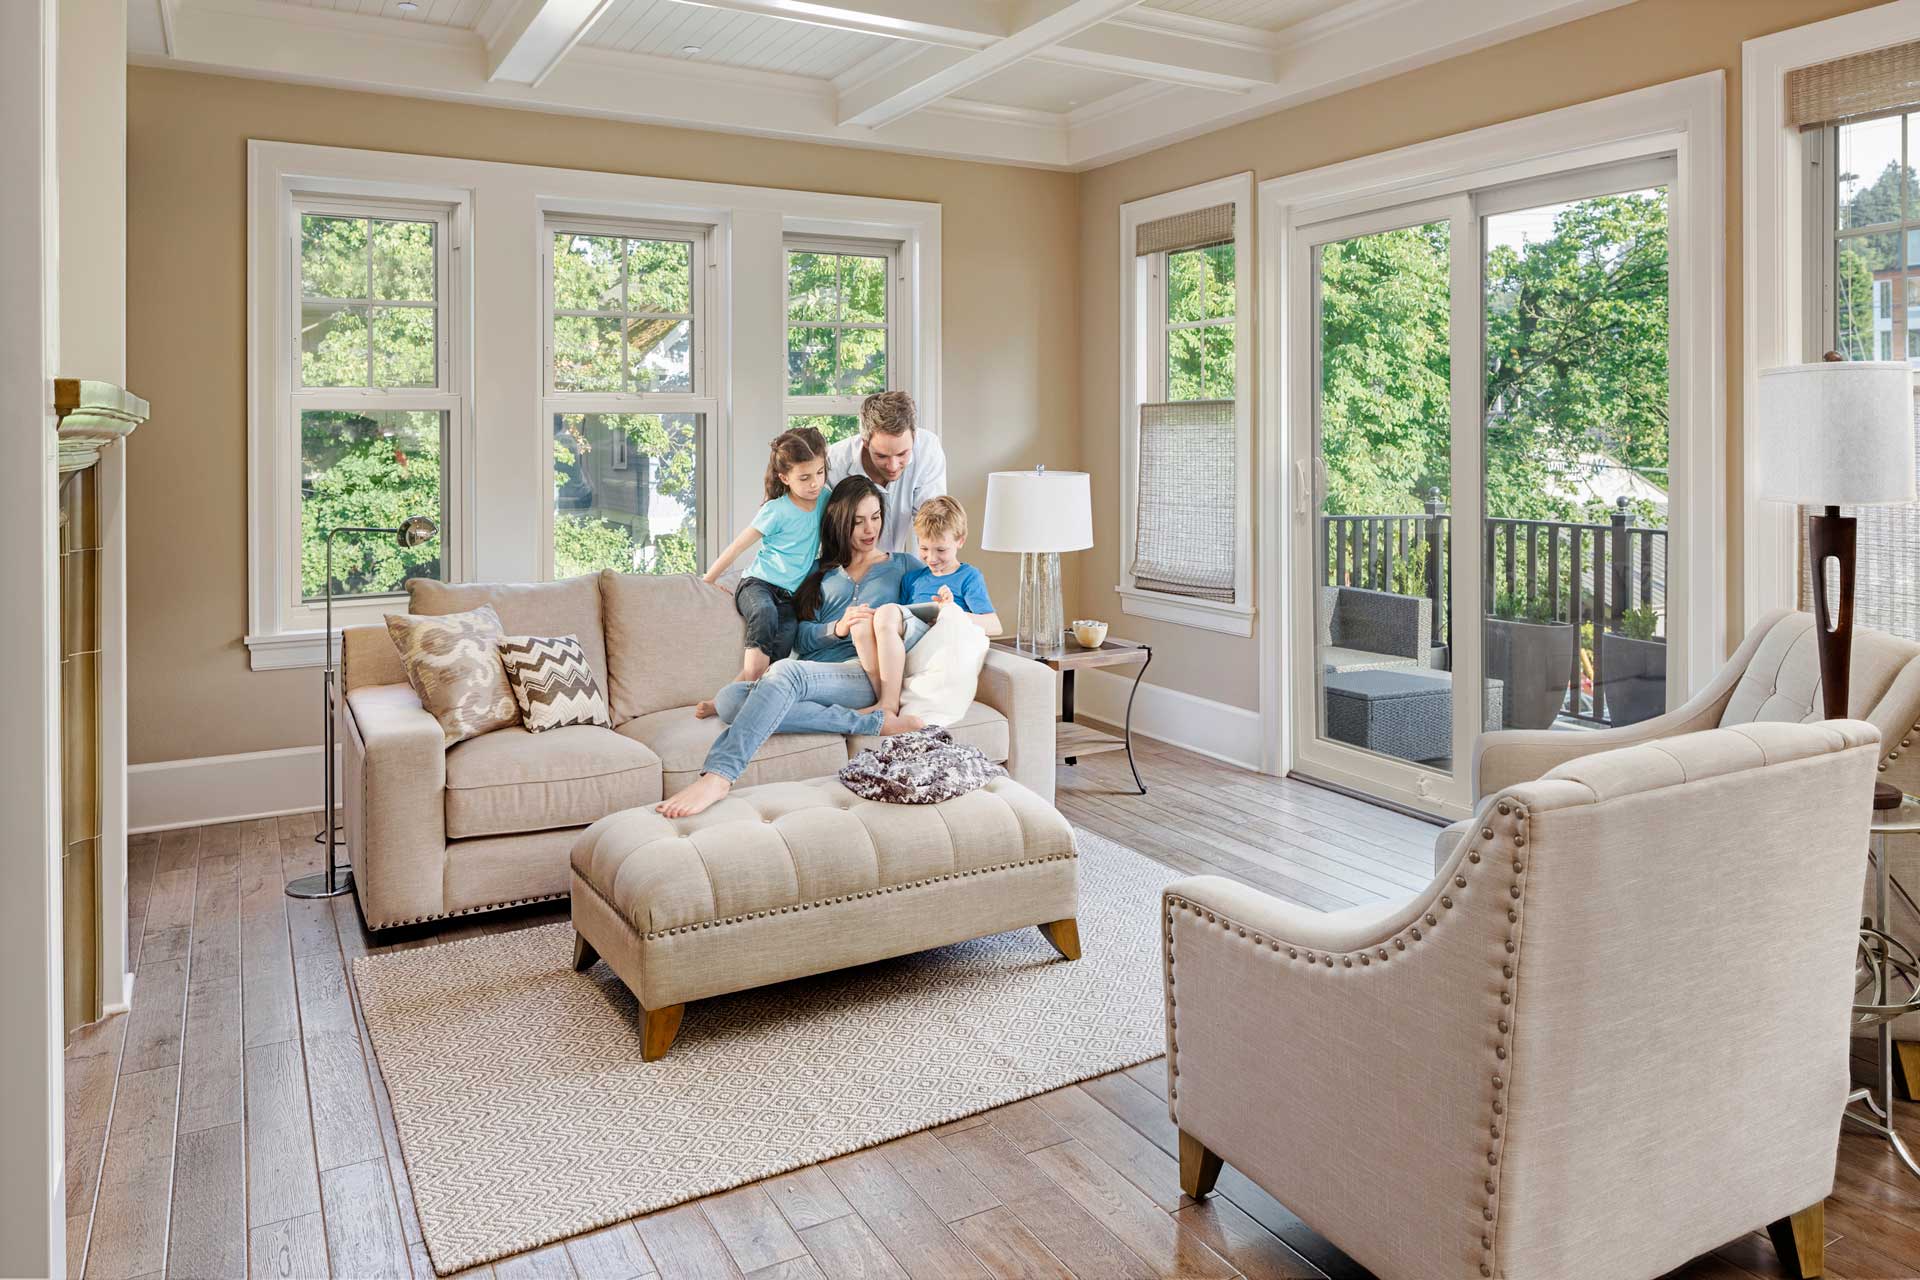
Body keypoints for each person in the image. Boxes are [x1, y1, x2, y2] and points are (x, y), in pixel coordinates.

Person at [655, 476, 924, 818]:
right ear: (840, 522)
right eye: (857, 521)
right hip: (815, 672)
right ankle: (869, 724)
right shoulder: (818, 573)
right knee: (729, 700)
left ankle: (719, 777)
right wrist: (837, 628)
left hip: (860, 674)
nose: (869, 528)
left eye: (875, 517)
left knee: (783, 672)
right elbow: (800, 636)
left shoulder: (903, 566)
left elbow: (925, 618)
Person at [694, 427, 828, 717]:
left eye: (820, 472)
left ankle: (722, 701)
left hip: (790, 595)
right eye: (805, 478)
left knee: (784, 646)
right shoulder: (776, 510)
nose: (815, 483)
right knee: (765, 615)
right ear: (785, 478)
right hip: (758, 585)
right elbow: (738, 546)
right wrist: (707, 581)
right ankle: (752, 691)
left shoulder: (825, 498)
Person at [825, 390, 946, 554]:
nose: (893, 466)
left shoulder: (927, 450)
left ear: (914, 436)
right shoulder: (833, 463)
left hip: (897, 564)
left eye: (902, 454)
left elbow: (932, 524)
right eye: (882, 456)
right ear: (865, 442)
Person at [902, 496, 1001, 636]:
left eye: (941, 550)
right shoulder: (911, 579)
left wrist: (950, 613)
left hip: (952, 644)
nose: (931, 558)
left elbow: (994, 626)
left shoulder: (968, 577)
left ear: (960, 541)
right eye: (924, 548)